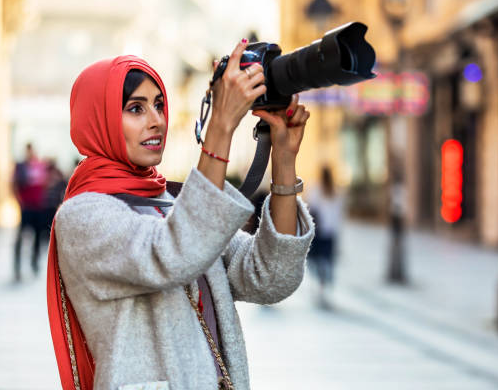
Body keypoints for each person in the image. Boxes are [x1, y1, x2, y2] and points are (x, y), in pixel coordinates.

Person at [48, 41, 314, 390]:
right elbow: (173, 253)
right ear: (98, 119)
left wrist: (282, 157)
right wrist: (220, 126)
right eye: (135, 108)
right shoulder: (82, 216)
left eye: (159, 105)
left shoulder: (172, 202)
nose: (156, 120)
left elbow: (269, 277)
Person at [307, 166, 344, 308]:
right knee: (326, 262)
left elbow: (310, 209)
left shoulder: (316, 190)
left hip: (318, 232)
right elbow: (338, 217)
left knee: (315, 261)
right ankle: (323, 289)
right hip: (329, 233)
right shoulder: (336, 193)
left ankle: (320, 288)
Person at [12, 143, 47, 280]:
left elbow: (44, 183)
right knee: (21, 236)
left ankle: (34, 261)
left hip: (38, 207)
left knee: (38, 236)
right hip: (26, 207)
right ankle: (17, 266)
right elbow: (14, 184)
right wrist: (19, 201)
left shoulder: (40, 165)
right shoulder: (20, 167)